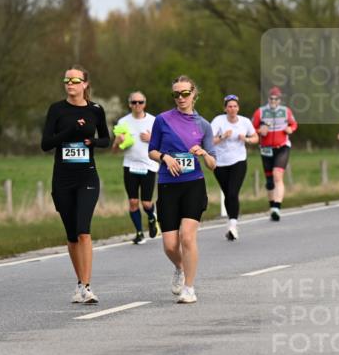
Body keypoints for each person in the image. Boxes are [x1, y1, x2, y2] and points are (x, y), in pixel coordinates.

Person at [40, 66, 111, 304]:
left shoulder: (96, 110)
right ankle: (80, 283)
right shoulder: (57, 109)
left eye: (75, 80)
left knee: (83, 229)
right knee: (71, 235)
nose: (70, 83)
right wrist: (70, 130)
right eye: (66, 80)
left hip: (87, 177)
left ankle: (88, 286)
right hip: (62, 178)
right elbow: (46, 144)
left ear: (85, 84)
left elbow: (106, 140)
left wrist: (92, 141)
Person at [149, 75, 217, 304]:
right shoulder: (162, 120)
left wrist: (204, 154)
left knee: (187, 237)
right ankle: (180, 266)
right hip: (168, 185)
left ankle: (189, 287)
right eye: (176, 94)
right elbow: (152, 151)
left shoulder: (203, 125)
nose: (180, 98)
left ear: (194, 94)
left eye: (185, 93)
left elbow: (213, 164)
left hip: (193, 185)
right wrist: (165, 157)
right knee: (170, 245)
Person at [112, 91, 158, 245]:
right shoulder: (122, 122)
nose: (137, 105)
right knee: (132, 201)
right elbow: (115, 151)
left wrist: (151, 139)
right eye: (134, 102)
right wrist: (118, 142)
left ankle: (152, 217)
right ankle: (139, 232)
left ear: (145, 103)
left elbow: (164, 144)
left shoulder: (154, 121)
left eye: (140, 102)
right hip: (130, 165)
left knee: (146, 203)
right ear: (129, 104)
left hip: (149, 165)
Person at [211, 94, 258, 241]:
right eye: (229, 106)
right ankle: (231, 223)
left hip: (239, 161)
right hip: (220, 163)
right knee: (227, 193)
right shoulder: (218, 121)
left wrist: (247, 139)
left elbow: (256, 138)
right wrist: (223, 137)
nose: (232, 109)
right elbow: (210, 141)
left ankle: (233, 225)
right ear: (225, 108)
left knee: (232, 192)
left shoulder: (244, 121)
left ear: (238, 108)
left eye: (235, 106)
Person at [252, 86, 297, 221]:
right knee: (270, 181)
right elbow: (251, 128)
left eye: (276, 99)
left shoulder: (286, 111)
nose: (273, 101)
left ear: (279, 99)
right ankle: (272, 207)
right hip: (266, 148)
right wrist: (260, 131)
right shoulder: (260, 112)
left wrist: (290, 129)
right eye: (271, 98)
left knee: (278, 175)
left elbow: (294, 124)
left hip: (282, 147)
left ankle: (277, 206)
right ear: (268, 99)